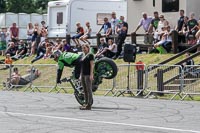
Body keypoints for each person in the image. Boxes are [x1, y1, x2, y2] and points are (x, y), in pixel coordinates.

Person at [79, 44, 94, 110]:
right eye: (82, 48)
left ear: (88, 48)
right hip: (83, 74)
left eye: (84, 48)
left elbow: (92, 65)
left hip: (88, 74)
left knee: (89, 89)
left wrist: (91, 74)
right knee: (84, 90)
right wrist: (80, 75)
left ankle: (89, 104)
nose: (83, 49)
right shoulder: (83, 55)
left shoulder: (90, 55)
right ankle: (86, 103)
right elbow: (82, 66)